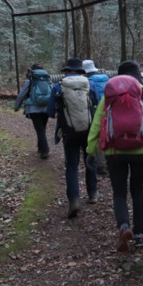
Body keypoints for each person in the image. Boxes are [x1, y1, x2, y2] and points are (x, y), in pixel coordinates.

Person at [87, 60, 143, 251]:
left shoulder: (109, 94)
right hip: (140, 150)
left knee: (119, 192)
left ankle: (124, 225)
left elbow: (96, 123)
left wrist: (91, 151)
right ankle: (139, 234)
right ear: (137, 74)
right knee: (137, 189)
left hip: (114, 151)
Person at [47, 57, 98, 218]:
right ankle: (92, 193)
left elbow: (49, 112)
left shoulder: (58, 86)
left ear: (67, 71)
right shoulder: (90, 84)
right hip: (88, 130)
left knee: (71, 165)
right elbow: (97, 105)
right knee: (90, 160)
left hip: (69, 132)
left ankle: (74, 200)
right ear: (81, 71)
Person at [13, 63, 52, 159]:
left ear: (33, 71)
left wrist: (16, 106)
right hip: (46, 108)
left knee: (39, 129)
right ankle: (40, 147)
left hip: (34, 109)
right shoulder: (47, 79)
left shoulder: (30, 81)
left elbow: (22, 95)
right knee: (42, 128)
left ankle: (45, 150)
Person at [82, 59, 110, 176]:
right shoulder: (107, 78)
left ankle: (101, 165)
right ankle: (110, 162)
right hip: (111, 110)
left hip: (96, 112)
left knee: (97, 136)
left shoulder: (87, 82)